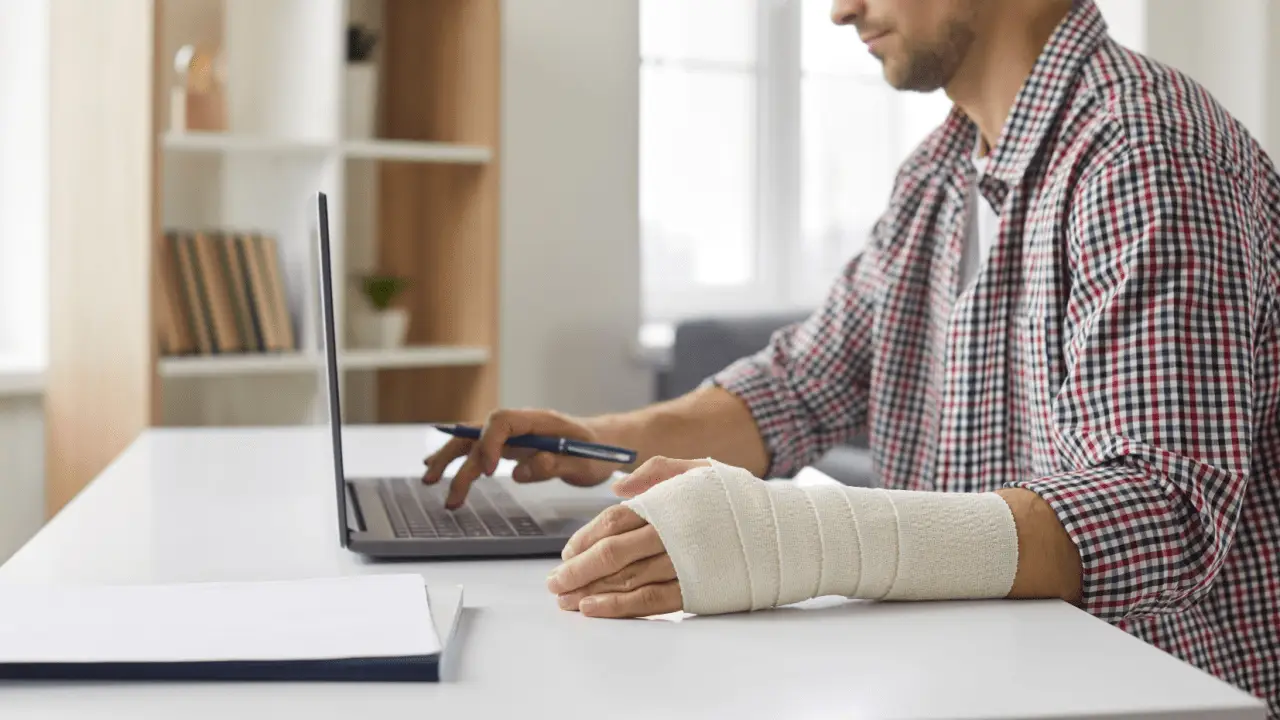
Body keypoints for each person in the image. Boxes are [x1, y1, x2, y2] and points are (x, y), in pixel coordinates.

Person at [423, 0, 1279, 713]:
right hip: (989, 678)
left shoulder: (1144, 152)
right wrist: (598, 438)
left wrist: (791, 537)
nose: (839, 10)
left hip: (1157, 691)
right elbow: (802, 386)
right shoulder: (938, 176)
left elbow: (1164, 510)